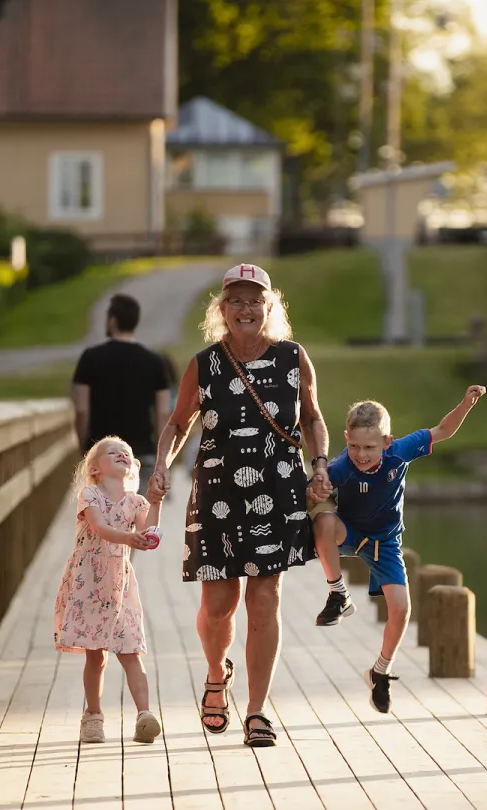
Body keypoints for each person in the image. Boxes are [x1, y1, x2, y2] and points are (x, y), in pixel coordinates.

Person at [147, 263, 333, 748]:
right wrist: (163, 464)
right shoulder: (205, 363)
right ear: (222, 309)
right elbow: (177, 423)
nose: (245, 309)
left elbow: (312, 418)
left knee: (265, 598)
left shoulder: (293, 358)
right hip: (217, 495)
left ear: (270, 307)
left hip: (277, 492)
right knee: (217, 607)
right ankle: (216, 672)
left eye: (255, 300)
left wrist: (320, 466)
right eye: (236, 300)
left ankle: (257, 711)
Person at [309, 386, 485, 713]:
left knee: (402, 609)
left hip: (385, 542)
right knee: (322, 522)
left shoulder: (400, 452)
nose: (361, 455)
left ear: (387, 442)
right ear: (345, 437)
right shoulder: (340, 467)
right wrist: (316, 490)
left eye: (370, 448)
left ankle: (380, 671)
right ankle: (338, 594)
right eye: (354, 445)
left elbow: (443, 430)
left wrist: (465, 404)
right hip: (350, 532)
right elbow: (311, 497)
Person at [52, 436, 164, 745]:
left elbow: (149, 534)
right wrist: (129, 539)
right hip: (88, 584)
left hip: (120, 586)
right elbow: (100, 528)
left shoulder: (136, 501)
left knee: (131, 653)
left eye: (126, 453)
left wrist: (156, 502)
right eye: (112, 453)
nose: (122, 455)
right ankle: (93, 715)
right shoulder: (90, 495)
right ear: (95, 468)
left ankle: (144, 715)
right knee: (96, 656)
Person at [70, 294, 171, 493]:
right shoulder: (155, 362)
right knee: (139, 517)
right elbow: (163, 413)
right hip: (141, 454)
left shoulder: (90, 358)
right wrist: (162, 459)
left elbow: (81, 410)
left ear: (113, 320)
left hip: (101, 455)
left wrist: (83, 448)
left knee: (102, 519)